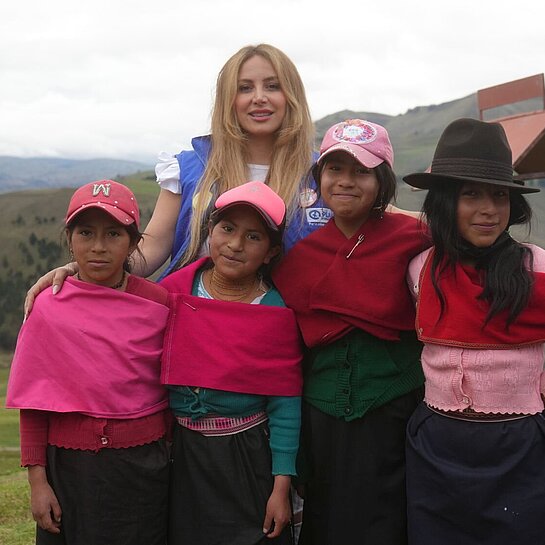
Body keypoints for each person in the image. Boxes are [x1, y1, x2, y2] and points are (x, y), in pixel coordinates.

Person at [24, 43, 329, 314]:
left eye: (272, 86)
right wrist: (84, 270)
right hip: (187, 324)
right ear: (228, 99)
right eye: (245, 88)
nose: (259, 98)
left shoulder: (325, 174)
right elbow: (154, 246)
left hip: (285, 331)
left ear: (291, 95)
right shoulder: (190, 166)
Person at [272, 119, 430, 545]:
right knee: (327, 518)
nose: (345, 182)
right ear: (319, 177)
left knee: (395, 518)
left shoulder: (414, 237)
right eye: (334, 169)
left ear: (381, 181)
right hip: (321, 419)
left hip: (397, 411)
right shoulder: (299, 257)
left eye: (360, 172)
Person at [403, 118, 545, 545]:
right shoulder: (421, 269)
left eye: (499, 196)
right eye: (471, 195)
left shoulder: (536, 267)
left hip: (519, 446)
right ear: (446, 201)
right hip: (436, 445)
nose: (488, 209)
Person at [6, 181, 171, 545]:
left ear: (134, 243)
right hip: (67, 469)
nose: (98, 247)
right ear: (70, 239)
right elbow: (35, 401)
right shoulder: (48, 307)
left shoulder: (159, 304)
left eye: (113, 234)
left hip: (144, 467)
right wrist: (37, 482)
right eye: (85, 233)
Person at [159, 181, 303, 545]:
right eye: (227, 228)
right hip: (183, 453)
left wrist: (281, 486)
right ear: (209, 231)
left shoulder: (273, 313)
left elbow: (285, 404)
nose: (236, 245)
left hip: (246, 456)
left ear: (271, 252)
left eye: (254, 237)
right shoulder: (174, 294)